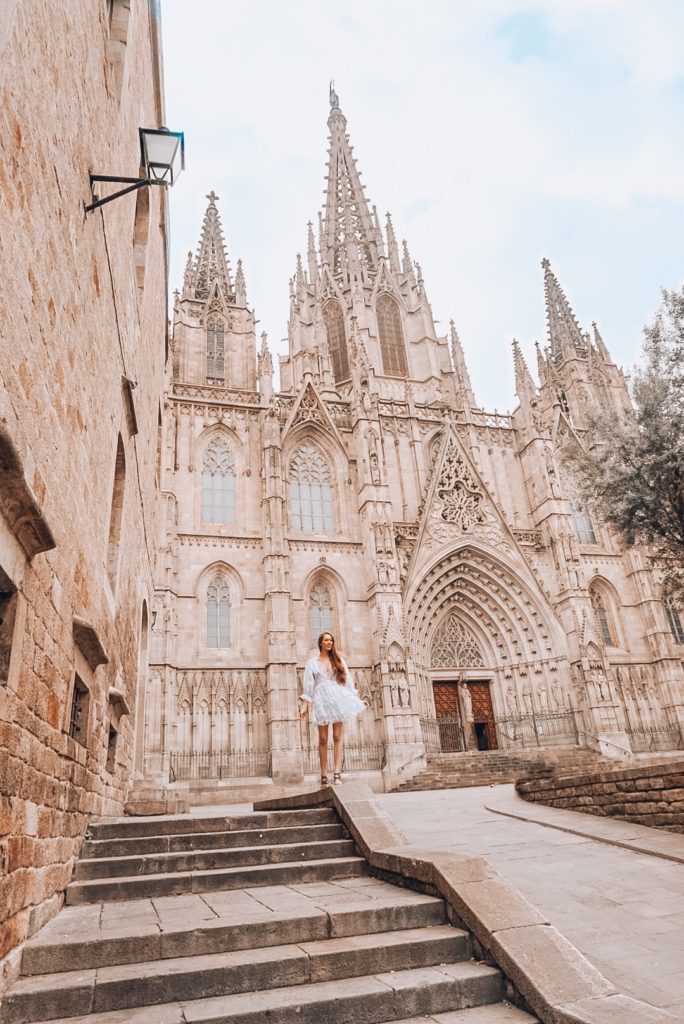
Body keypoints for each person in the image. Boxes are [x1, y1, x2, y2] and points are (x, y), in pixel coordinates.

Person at [299, 632, 367, 785]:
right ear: (320, 643)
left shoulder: (339, 661)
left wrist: (358, 700)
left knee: (337, 737)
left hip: (338, 700)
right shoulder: (312, 663)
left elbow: (348, 683)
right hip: (322, 701)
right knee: (323, 739)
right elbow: (308, 686)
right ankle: (323, 774)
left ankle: (337, 773)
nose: (329, 642)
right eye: (326, 640)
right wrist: (304, 706)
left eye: (331, 640)